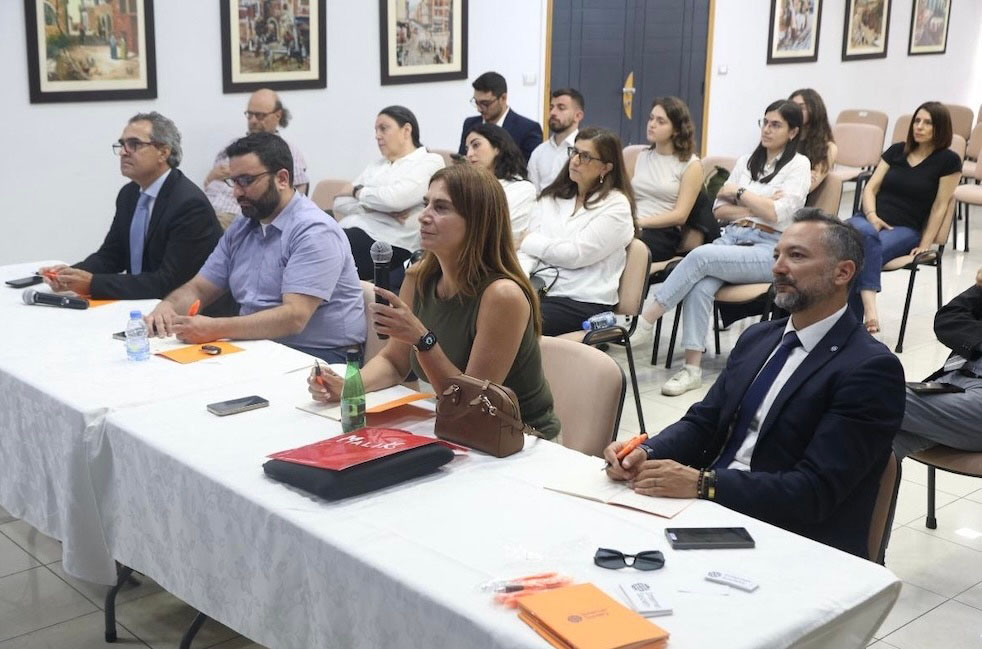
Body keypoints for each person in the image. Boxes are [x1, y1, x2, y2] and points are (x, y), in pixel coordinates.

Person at [605, 210, 906, 558]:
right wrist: (647, 451)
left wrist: (704, 484)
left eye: (796, 256)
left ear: (843, 272)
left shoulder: (869, 369)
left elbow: (814, 493)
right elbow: (704, 421)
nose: (778, 267)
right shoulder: (760, 338)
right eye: (776, 254)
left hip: (791, 538)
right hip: (716, 506)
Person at [307, 164, 561, 439]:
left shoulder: (502, 296)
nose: (423, 216)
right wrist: (349, 386)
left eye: (441, 208)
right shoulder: (419, 277)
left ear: (477, 222)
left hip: (520, 439)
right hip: (459, 425)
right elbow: (394, 362)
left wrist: (423, 340)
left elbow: (471, 406)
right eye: (426, 204)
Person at [632, 99, 812, 396]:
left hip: (771, 250)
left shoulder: (799, 165)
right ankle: (692, 369)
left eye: (775, 125)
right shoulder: (746, 161)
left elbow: (778, 215)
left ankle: (647, 320)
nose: (767, 129)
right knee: (701, 284)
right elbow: (718, 209)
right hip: (731, 240)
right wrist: (759, 205)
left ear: (792, 132)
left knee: (700, 256)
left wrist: (739, 193)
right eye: (764, 122)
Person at [144, 132, 365, 363]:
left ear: (281, 179)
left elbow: (294, 317)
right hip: (258, 346)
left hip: (319, 356)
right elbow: (199, 288)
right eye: (234, 181)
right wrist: (168, 308)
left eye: (247, 181)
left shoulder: (313, 231)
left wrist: (215, 328)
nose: (237, 192)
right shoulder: (243, 226)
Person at [39, 112, 222, 301]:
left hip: (190, 312)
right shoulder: (129, 194)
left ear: (163, 152)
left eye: (134, 144)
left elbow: (168, 282)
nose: (123, 152)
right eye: (122, 144)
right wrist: (71, 274)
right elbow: (112, 255)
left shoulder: (189, 205)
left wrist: (93, 283)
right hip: (144, 302)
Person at [848, 101, 962, 334]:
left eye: (927, 123)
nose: (919, 127)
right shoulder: (896, 151)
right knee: (857, 240)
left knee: (855, 253)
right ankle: (864, 316)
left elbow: (940, 206)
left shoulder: (948, 161)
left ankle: (848, 326)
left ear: (940, 128)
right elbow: (870, 188)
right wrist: (871, 216)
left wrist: (926, 244)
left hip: (905, 229)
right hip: (867, 220)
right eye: (917, 121)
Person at [518, 127, 637, 336]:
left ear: (605, 168)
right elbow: (528, 253)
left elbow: (575, 255)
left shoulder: (616, 206)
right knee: (485, 308)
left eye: (585, 157)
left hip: (583, 300)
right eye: (574, 152)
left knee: (515, 323)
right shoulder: (552, 197)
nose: (574, 161)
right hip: (540, 288)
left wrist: (529, 241)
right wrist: (517, 278)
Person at [334, 106, 445, 286]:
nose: (377, 136)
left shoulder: (429, 161)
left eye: (383, 128)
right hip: (353, 233)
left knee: (323, 250)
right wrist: (378, 209)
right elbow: (339, 202)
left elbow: (395, 200)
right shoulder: (376, 165)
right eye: (376, 130)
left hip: (390, 243)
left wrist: (357, 191)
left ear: (406, 130)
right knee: (315, 237)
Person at [894, 267, 982, 458]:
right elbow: (947, 320)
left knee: (869, 392)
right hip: (955, 381)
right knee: (874, 438)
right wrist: (978, 289)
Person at [203, 88, 309, 229]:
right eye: (250, 115)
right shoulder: (232, 147)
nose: (253, 121)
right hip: (206, 209)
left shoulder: (287, 152)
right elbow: (209, 184)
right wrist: (211, 177)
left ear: (278, 115)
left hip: (235, 219)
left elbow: (297, 197)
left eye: (260, 115)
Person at [630, 96, 705, 262]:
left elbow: (680, 215)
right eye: (651, 118)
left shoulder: (690, 164)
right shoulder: (639, 156)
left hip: (662, 231)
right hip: (632, 223)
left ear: (676, 130)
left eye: (661, 121)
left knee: (627, 247)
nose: (652, 124)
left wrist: (640, 222)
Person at [463, 123, 536, 238]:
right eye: (467, 149)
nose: (469, 154)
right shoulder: (466, 187)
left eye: (476, 145)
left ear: (497, 147)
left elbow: (499, 232)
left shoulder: (522, 189)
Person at [457, 71, 543, 162]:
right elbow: (462, 161)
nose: (479, 109)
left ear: (503, 98)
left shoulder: (528, 129)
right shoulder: (470, 124)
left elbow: (527, 169)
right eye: (476, 103)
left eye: (485, 103)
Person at [528, 88, 585, 191]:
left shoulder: (585, 152)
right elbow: (532, 193)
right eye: (551, 107)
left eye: (561, 108)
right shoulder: (539, 152)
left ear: (578, 116)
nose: (553, 112)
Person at [788, 88, 837, 192]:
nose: (795, 112)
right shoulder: (784, 138)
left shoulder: (828, 148)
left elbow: (809, 186)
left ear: (815, 110)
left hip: (798, 199)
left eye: (801, 108)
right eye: (792, 107)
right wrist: (802, 175)